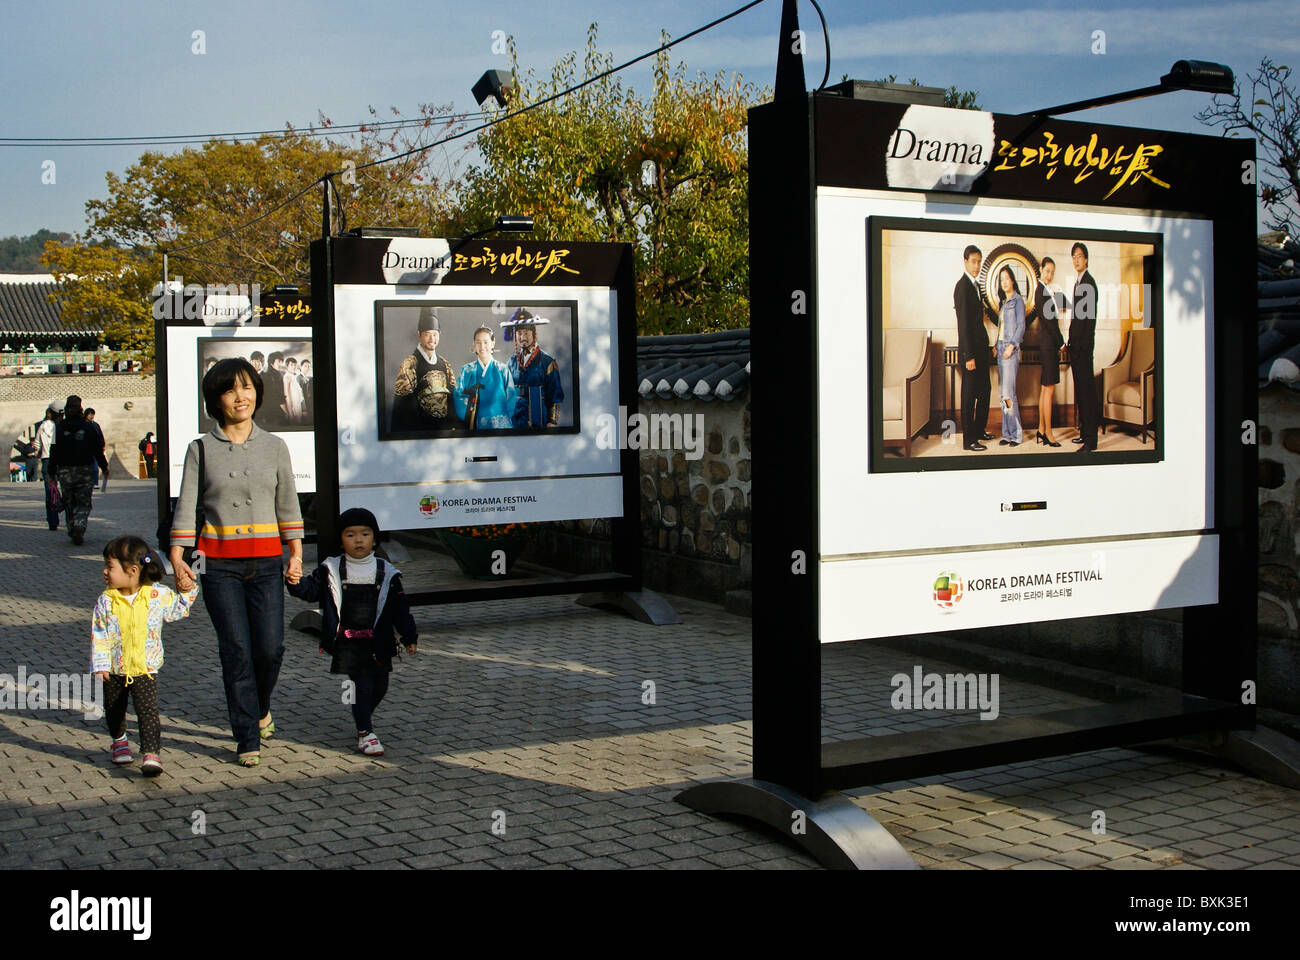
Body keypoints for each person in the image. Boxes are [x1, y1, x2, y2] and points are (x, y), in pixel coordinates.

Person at [170, 358, 304, 767]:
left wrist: (295, 551)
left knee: (270, 650)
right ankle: (246, 735)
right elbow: (187, 505)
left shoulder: (275, 447)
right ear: (217, 399)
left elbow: (287, 503)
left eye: (246, 387)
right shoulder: (201, 449)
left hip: (266, 564)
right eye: (230, 390)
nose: (240, 396)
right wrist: (177, 557)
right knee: (236, 651)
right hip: (219, 566)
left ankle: (261, 706)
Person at [286, 508, 417, 757]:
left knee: (381, 685)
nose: (358, 540)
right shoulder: (331, 569)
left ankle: (362, 714)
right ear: (341, 540)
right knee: (362, 684)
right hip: (348, 641)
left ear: (375, 539)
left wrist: (410, 636)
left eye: (365, 534)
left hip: (379, 640)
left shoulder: (386, 572)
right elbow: (310, 591)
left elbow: (401, 609)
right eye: (350, 534)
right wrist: (294, 582)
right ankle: (365, 732)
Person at [92, 536, 199, 776]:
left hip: (146, 668)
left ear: (132, 570)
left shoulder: (157, 595)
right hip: (114, 669)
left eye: (110, 566)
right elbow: (99, 633)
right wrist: (100, 664)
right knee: (114, 709)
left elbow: (179, 610)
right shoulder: (106, 601)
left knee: (147, 711)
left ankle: (151, 752)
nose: (105, 572)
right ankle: (119, 740)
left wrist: (188, 590)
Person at [50, 396, 109, 545]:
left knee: (69, 501)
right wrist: (104, 466)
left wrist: (51, 472)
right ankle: (80, 524)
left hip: (65, 470)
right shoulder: (89, 427)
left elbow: (54, 451)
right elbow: (97, 450)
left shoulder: (58, 427)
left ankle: (71, 527)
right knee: (83, 501)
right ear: (81, 409)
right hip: (85, 469)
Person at [392, 307, 459, 432]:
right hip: (419, 429)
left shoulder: (445, 364)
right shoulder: (410, 364)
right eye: (427, 334)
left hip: (443, 430)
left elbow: (452, 400)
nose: (432, 339)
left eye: (435, 334)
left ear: (440, 335)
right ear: (419, 335)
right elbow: (403, 406)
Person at [954, 246, 993, 451]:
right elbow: (964, 325)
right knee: (969, 396)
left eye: (979, 261)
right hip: (970, 352)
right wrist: (968, 355)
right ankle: (969, 440)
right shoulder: (962, 287)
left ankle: (979, 430)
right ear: (965, 262)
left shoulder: (976, 286)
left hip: (981, 349)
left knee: (985, 391)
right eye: (974, 261)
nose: (977, 265)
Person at [503, 308, 565, 429]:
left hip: (539, 420)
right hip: (515, 421)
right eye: (519, 333)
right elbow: (504, 393)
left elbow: (555, 396)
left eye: (526, 333)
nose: (522, 337)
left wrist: (552, 422)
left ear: (534, 333)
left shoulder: (548, 362)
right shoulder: (511, 362)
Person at [1067, 242, 1100, 452]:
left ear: (1086, 259)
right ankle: (1084, 432)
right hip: (1076, 346)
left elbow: (1089, 321)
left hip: (1084, 348)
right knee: (1081, 392)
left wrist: (1081, 346)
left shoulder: (1088, 282)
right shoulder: (1079, 282)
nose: (1076, 260)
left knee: (1087, 394)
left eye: (1079, 256)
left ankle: (1091, 440)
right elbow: (1075, 319)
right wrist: (1070, 343)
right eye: (1074, 257)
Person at [455, 327, 516, 429]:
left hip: (500, 426)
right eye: (478, 342)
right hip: (475, 426)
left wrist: (502, 419)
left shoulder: (502, 369)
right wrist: (471, 416)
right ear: (474, 344)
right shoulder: (466, 371)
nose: (482, 346)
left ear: (493, 343)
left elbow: (511, 397)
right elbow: (458, 396)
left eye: (486, 342)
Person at [1034, 257, 1066, 447]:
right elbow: (1050, 323)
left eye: (1052, 272)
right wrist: (1061, 342)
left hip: (1046, 344)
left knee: (1045, 389)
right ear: (1040, 269)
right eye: (1047, 271)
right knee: (1049, 389)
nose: (1050, 275)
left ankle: (1040, 429)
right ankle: (1049, 433)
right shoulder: (1042, 292)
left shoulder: (1046, 290)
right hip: (1049, 345)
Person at [994, 266, 1026, 446]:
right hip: (1000, 348)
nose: (1004, 282)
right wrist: (996, 345)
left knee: (1009, 394)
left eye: (1007, 278)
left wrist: (1012, 345)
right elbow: (1002, 328)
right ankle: (1006, 434)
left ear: (1012, 280)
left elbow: (1021, 326)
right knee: (1002, 394)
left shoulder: (1018, 301)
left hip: (1010, 350)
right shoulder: (1003, 303)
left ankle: (1016, 434)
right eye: (1001, 279)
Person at [35, 400, 63, 528]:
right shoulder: (62, 425)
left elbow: (36, 443)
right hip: (62, 461)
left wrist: (37, 452)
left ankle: (52, 521)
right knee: (68, 490)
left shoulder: (43, 426)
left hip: (47, 459)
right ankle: (72, 520)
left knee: (50, 491)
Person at [84, 408, 107, 492]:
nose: (91, 416)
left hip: (95, 449)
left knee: (95, 467)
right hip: (85, 450)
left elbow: (100, 435)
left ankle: (95, 482)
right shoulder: (83, 424)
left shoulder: (95, 425)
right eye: (90, 414)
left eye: (92, 414)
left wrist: (102, 444)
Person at [283, 357, 306, 424]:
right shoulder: (287, 377)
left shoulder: (293, 377)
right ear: (287, 366)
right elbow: (286, 395)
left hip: (298, 405)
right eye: (291, 365)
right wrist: (290, 412)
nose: (294, 367)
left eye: (295, 365)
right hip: (293, 407)